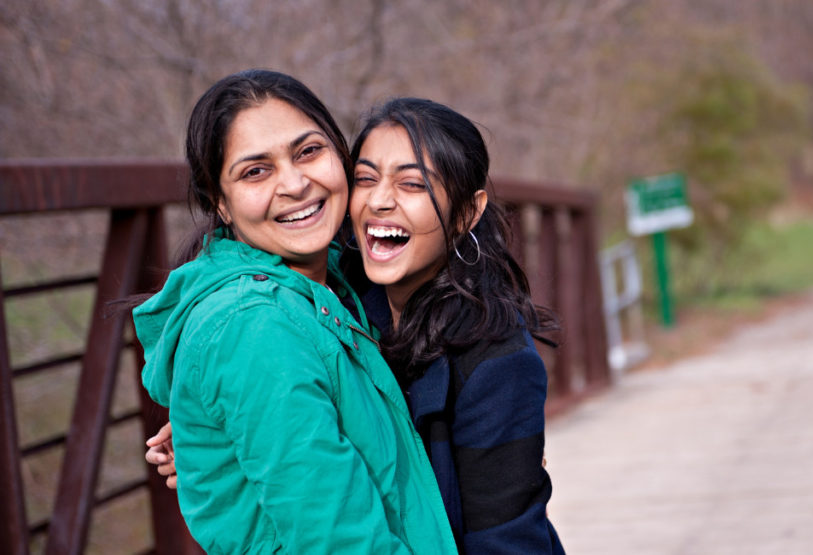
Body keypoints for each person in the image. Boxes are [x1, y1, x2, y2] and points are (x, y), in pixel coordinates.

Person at [147, 97, 566, 553]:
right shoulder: (333, 299)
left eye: (412, 183)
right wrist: (214, 426)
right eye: (365, 178)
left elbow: (509, 541)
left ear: (466, 213)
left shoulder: (496, 361)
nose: (381, 200)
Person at [133, 70, 456, 554]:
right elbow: (340, 542)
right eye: (255, 171)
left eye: (308, 151)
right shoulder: (252, 328)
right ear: (220, 203)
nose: (295, 184)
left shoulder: (326, 282)